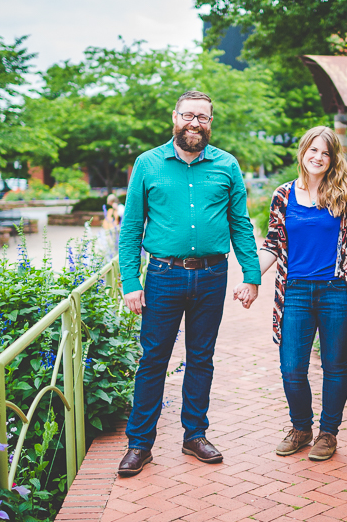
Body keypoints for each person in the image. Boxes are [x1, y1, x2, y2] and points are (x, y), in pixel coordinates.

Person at [117, 90, 261, 477]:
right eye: (188, 116)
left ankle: (194, 435)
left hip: (213, 276)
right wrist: (130, 281)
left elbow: (240, 224)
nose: (195, 123)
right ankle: (139, 445)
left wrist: (251, 275)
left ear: (211, 122)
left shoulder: (227, 165)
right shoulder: (147, 164)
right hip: (163, 276)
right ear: (175, 118)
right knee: (153, 360)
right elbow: (131, 228)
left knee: (201, 358)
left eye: (203, 117)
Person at [242, 125, 347, 461]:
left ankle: (328, 434)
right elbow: (273, 244)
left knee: (335, 366)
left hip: (336, 290)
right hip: (294, 291)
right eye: (313, 150)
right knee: (292, 368)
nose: (318, 157)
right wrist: (250, 279)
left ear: (333, 158)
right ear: (303, 151)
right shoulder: (283, 195)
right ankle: (301, 428)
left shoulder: (346, 191)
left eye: (326, 153)